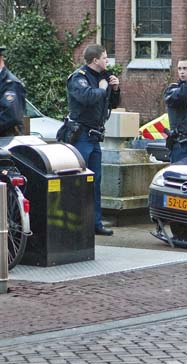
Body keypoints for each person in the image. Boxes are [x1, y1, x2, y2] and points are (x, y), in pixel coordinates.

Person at [65, 44, 120, 236]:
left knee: (95, 181)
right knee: (79, 181)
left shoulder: (102, 77)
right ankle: (76, 223)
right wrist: (103, 89)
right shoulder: (78, 78)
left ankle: (95, 223)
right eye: (105, 58)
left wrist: (115, 88)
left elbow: (112, 103)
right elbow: (87, 97)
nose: (107, 61)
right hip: (81, 136)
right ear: (95, 60)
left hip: (95, 136)